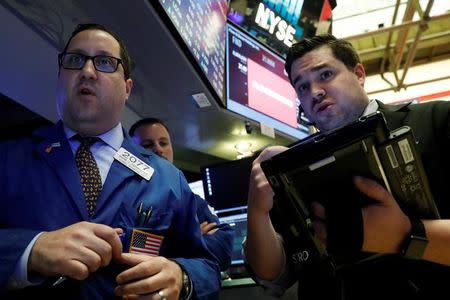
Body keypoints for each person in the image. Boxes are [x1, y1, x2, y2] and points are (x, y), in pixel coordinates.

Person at [0, 23, 222, 299]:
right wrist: (29, 249)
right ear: (60, 76)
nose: (87, 71)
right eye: (75, 60)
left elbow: (208, 265)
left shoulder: (167, 178)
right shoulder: (9, 159)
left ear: (127, 88)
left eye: (104, 62)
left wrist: (183, 277)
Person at [244, 34, 450, 299]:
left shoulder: (436, 120)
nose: (315, 92)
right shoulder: (291, 167)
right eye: (302, 87)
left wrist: (408, 235)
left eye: (326, 74)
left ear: (359, 74)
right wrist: (257, 210)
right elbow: (273, 274)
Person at [128, 117, 233, 271]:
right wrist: (192, 240)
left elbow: (223, 251)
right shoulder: (126, 197)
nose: (158, 149)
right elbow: (131, 254)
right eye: (147, 145)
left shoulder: (194, 201)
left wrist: (166, 249)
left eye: (163, 143)